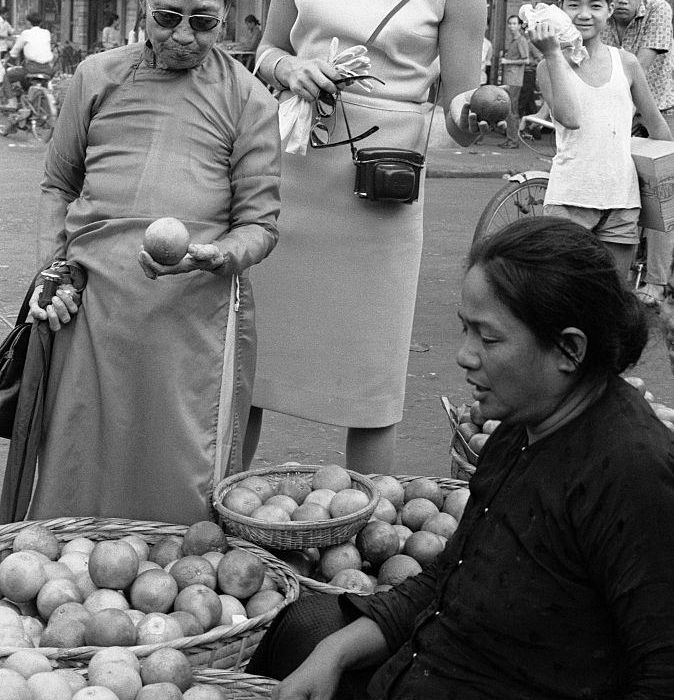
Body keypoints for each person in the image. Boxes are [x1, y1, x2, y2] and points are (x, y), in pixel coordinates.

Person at [248, 217, 674, 700]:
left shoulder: (630, 471)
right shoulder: (521, 427)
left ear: (569, 349)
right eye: (464, 329)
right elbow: (450, 579)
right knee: (307, 624)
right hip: (431, 667)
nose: (465, 355)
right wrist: (334, 652)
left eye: (488, 339)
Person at [246, 0, 488, 474]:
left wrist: (478, 114)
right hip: (286, 173)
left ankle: (371, 548)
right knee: (250, 367)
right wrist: (290, 68)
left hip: (379, 189)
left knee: (371, 379)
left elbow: (461, 107)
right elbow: (265, 49)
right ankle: (223, 514)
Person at [23, 0, 281, 524]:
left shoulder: (248, 100)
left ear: (228, 15)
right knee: (77, 467)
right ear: (139, 4)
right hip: (90, 311)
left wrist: (219, 255)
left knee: (182, 492)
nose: (183, 36)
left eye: (203, 22)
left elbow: (260, 224)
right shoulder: (96, 76)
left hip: (193, 322)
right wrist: (51, 275)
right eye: (167, 17)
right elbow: (58, 186)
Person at [533, 0, 671, 281]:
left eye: (595, 5)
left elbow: (656, 126)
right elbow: (569, 118)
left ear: (609, 10)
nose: (585, 14)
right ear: (560, 9)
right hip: (569, 199)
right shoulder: (548, 66)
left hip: (622, 202)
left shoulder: (627, 63)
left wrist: (668, 174)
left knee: (612, 301)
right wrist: (553, 54)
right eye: (574, 5)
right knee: (563, 294)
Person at [602, 0, 674, 307]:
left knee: (660, 198)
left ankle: (658, 283)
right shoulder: (598, 13)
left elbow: (636, 70)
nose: (623, 1)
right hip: (620, 113)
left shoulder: (658, 11)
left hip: (662, 112)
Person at [498, 13, 529, 148]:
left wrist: (507, 61)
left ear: (520, 25)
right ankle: (511, 139)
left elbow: (526, 59)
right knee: (509, 110)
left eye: (514, 24)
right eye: (510, 23)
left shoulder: (521, 40)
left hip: (515, 80)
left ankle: (513, 141)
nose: (511, 26)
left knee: (512, 111)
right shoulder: (514, 40)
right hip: (511, 78)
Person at [0, 6, 14, 107]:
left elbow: (12, 31)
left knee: (3, 65)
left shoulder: (6, 23)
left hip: (4, 48)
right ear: (3, 13)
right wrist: (7, 37)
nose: (8, 15)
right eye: (7, 14)